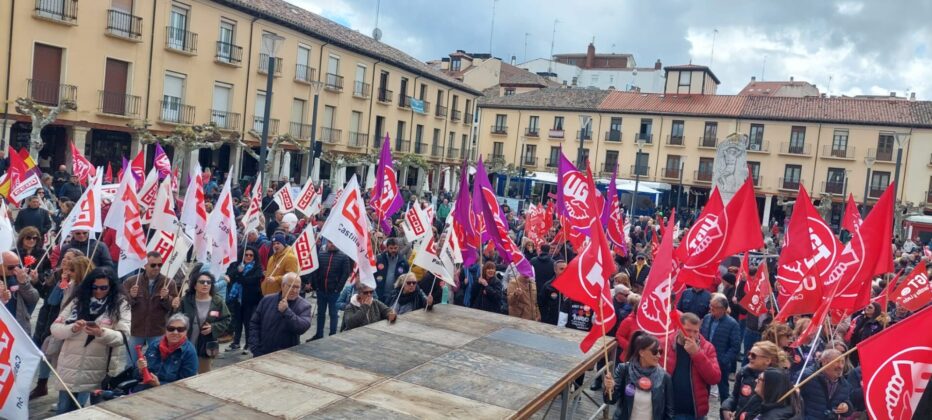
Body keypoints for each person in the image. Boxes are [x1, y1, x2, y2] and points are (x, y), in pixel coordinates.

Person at [50, 268, 130, 414]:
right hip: (69, 366)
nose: (98, 291)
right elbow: (55, 328)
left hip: (96, 370)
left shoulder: (120, 305)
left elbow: (123, 337)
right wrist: (72, 328)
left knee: (83, 413)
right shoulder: (77, 300)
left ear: (111, 286)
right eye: (94, 287)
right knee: (62, 411)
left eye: (103, 288)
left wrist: (101, 332)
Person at [30, 252, 90, 400]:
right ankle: (42, 384)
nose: (65, 261)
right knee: (47, 352)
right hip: (51, 320)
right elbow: (51, 299)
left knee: (61, 361)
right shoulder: (58, 275)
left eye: (69, 260)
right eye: (64, 258)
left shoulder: (83, 285)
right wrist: (60, 283)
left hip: (68, 326)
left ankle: (66, 396)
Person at [661, 312, 722, 420]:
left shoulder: (707, 348)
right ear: (678, 328)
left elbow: (714, 378)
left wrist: (696, 353)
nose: (692, 335)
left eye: (696, 331)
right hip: (668, 409)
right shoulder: (665, 344)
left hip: (694, 412)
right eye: (688, 330)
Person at [603, 331, 674, 420]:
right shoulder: (624, 370)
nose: (659, 355)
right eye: (655, 351)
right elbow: (610, 400)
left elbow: (669, 412)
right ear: (641, 352)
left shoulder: (664, 377)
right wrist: (610, 388)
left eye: (660, 351)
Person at [126, 252, 179, 360]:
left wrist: (166, 298)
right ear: (145, 265)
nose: (157, 268)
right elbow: (122, 306)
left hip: (157, 330)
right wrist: (131, 296)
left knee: (157, 362)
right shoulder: (131, 281)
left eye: (160, 265)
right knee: (131, 363)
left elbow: (174, 308)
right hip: (135, 329)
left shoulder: (169, 283)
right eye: (153, 265)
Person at [248, 273, 311, 357]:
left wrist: (287, 311)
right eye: (291, 286)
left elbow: (301, 328)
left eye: (297, 287)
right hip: (261, 352)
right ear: (283, 286)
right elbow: (254, 323)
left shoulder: (304, 305)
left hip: (286, 355)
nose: (295, 290)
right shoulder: (267, 300)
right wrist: (255, 346)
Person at [179, 272, 231, 373]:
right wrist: (174, 307)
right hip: (185, 345)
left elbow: (226, 319)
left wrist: (213, 327)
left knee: (204, 375)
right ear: (194, 285)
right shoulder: (185, 301)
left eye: (208, 282)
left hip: (205, 347)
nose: (205, 284)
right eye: (202, 282)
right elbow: (174, 320)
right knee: (186, 375)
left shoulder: (217, 301)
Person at [722, 341, 787, 420]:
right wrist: (726, 407)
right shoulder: (743, 373)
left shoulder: (777, 382)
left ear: (767, 361)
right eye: (749, 353)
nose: (749, 357)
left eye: (753, 355)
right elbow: (735, 396)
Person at [135, 314, 198, 389]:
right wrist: (140, 370)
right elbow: (136, 375)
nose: (175, 332)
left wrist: (159, 385)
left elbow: (187, 384)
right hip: (145, 388)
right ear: (166, 330)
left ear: (186, 332)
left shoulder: (189, 352)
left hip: (171, 394)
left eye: (180, 329)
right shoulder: (155, 345)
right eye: (171, 328)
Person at [700, 293, 742, 402]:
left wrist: (723, 360)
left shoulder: (732, 324)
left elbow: (735, 347)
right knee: (703, 391)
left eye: (714, 307)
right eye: (710, 306)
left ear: (723, 309)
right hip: (704, 360)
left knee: (723, 391)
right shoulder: (707, 318)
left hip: (721, 363)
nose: (711, 309)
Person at [310, 241, 353, 340]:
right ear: (327, 243)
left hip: (334, 292)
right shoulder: (321, 255)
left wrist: (338, 288)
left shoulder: (343, 257)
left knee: (333, 314)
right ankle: (318, 334)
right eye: (330, 242)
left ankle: (332, 335)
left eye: (334, 242)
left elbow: (345, 274)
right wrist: (316, 286)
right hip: (321, 290)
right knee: (320, 314)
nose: (332, 244)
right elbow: (315, 271)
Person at [225, 246, 263, 353]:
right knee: (237, 321)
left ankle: (248, 344)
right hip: (237, 299)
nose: (248, 257)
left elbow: (251, 281)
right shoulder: (238, 264)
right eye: (246, 255)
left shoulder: (257, 267)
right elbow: (230, 275)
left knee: (248, 322)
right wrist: (238, 271)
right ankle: (236, 342)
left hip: (250, 299)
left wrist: (239, 275)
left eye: (251, 255)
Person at [800, 348, 853, 419]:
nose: (841, 366)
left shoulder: (845, 385)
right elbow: (792, 402)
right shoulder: (806, 377)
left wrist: (847, 406)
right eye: (837, 361)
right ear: (824, 362)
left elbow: (847, 401)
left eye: (842, 362)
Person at [1, 251, 40, 334]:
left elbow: (34, 298)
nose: (15, 269)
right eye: (11, 267)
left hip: (17, 322)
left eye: (17, 266)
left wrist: (24, 284)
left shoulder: (19, 276)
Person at [848, 301, 886, 365]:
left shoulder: (878, 324)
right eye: (867, 306)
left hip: (865, 352)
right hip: (853, 349)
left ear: (875, 311)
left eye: (870, 307)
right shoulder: (859, 318)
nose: (867, 308)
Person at [374, 238, 410, 303]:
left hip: (394, 296)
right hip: (380, 294)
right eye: (391, 248)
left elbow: (406, 277)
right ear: (387, 248)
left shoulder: (403, 261)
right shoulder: (379, 259)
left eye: (395, 248)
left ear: (398, 248)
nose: (393, 250)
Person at [540, 260, 567, 325]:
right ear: (555, 270)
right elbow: (541, 303)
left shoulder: (571, 285)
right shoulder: (548, 286)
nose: (564, 271)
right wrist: (545, 318)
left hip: (565, 322)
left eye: (566, 269)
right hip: (551, 322)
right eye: (561, 269)